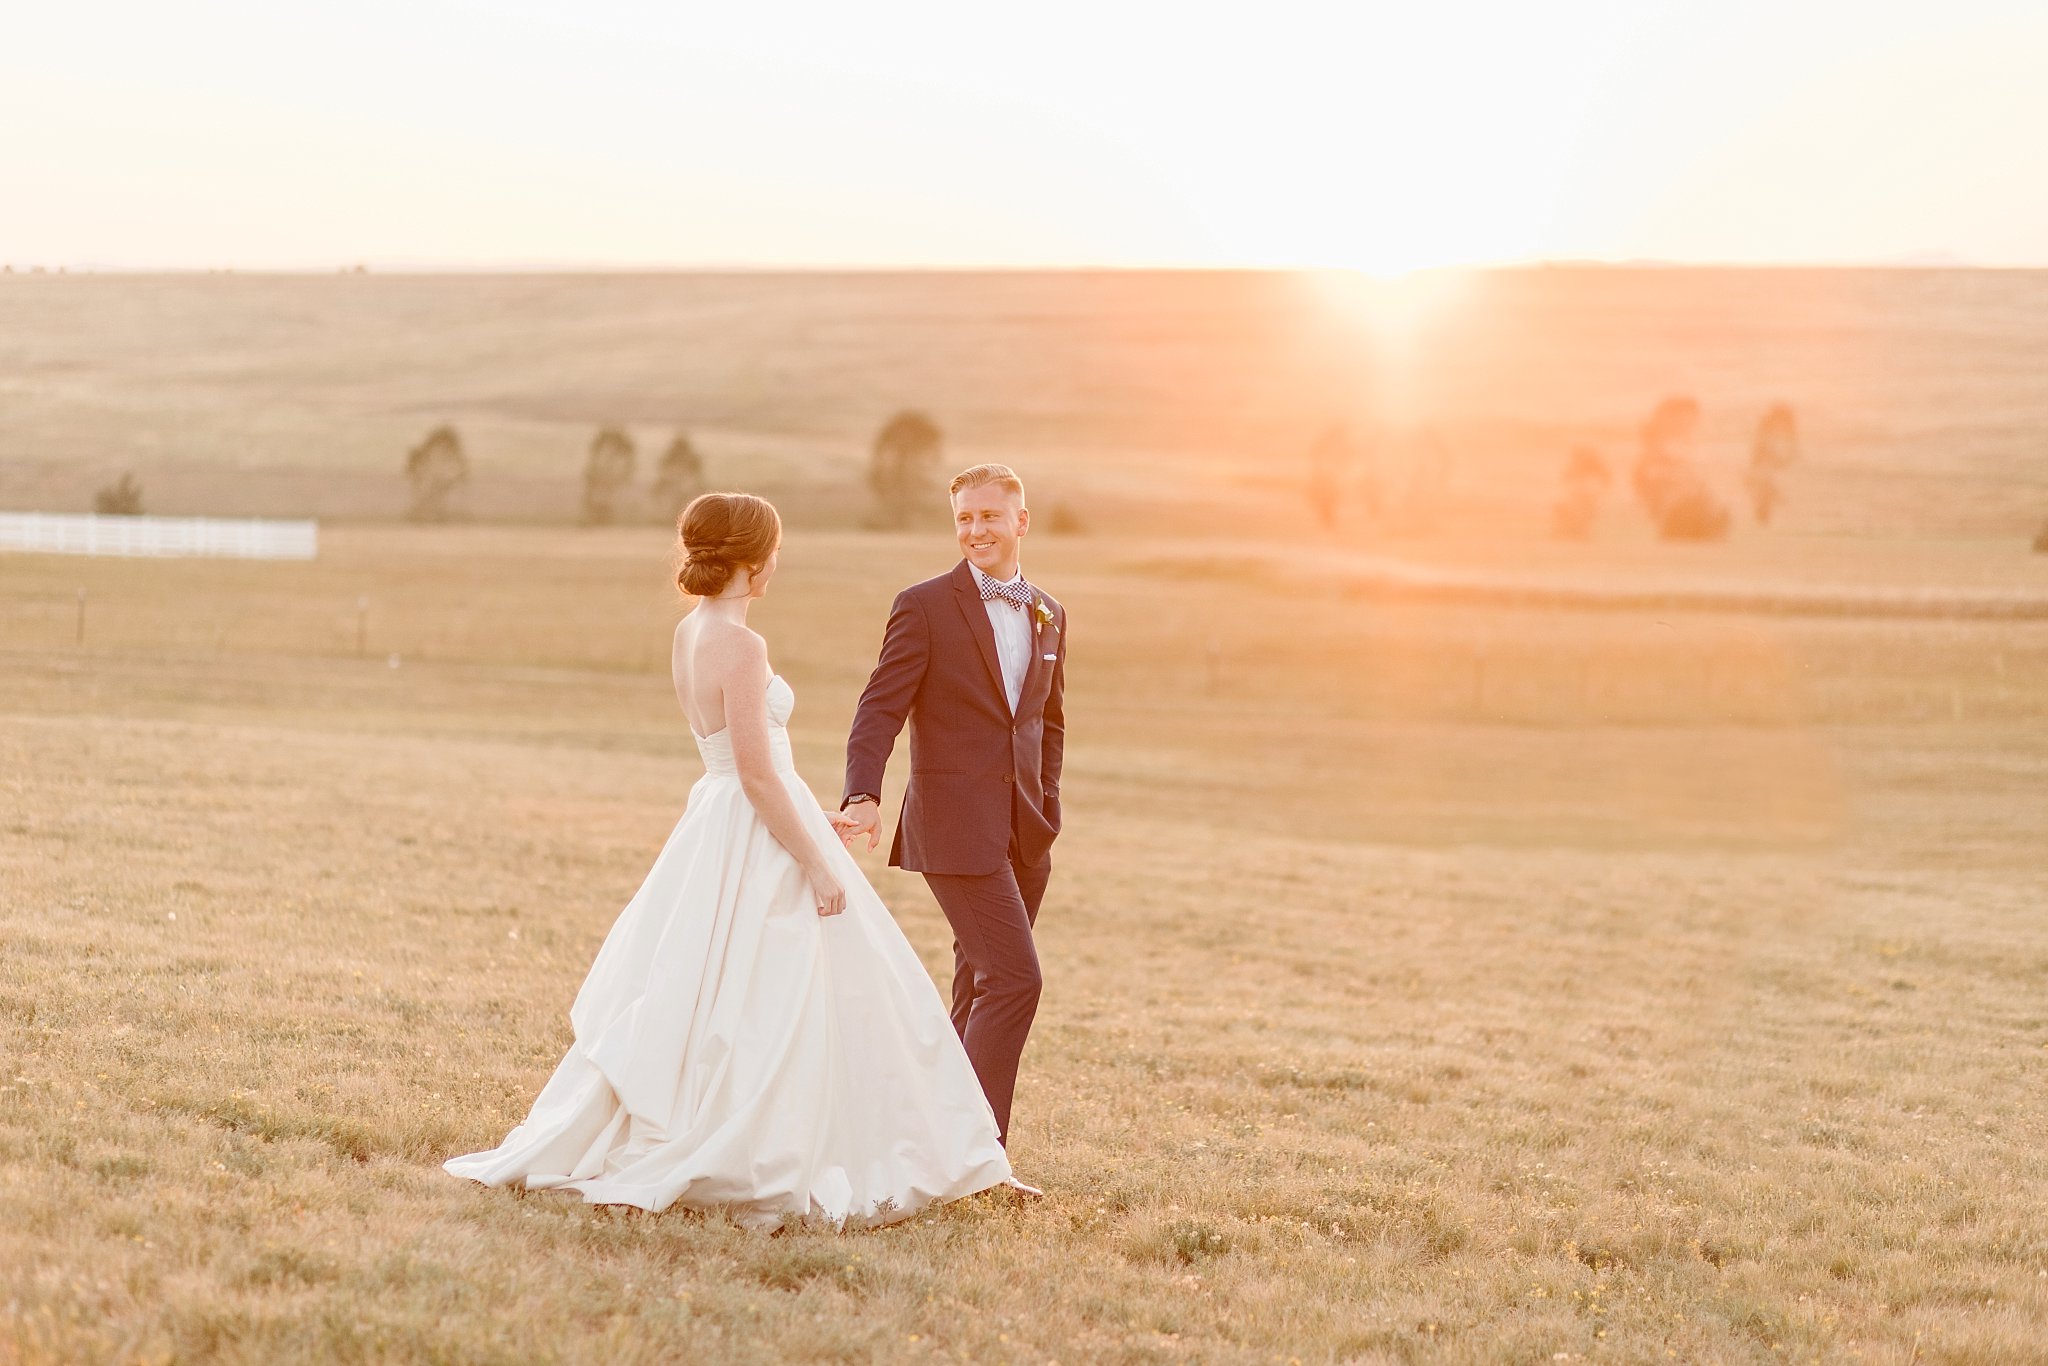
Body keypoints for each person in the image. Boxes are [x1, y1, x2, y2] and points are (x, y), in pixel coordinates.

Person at [444, 492, 1011, 1228]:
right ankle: (772, 1137)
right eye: (775, 547)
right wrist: (813, 859)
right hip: (751, 823)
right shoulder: (742, 646)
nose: (780, 560)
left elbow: (747, 766)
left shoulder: (693, 630)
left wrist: (816, 816)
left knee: (711, 985)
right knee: (779, 989)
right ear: (753, 556)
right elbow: (756, 772)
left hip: (721, 820)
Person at [839, 463, 1066, 1194]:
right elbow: (880, 706)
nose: (975, 531)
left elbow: (1047, 723)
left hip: (1024, 834)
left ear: (1020, 522)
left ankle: (931, 1146)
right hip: (953, 826)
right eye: (965, 518)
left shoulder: (1049, 613)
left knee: (976, 987)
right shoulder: (925, 606)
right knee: (1015, 980)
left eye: (990, 517)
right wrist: (864, 794)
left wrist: (1047, 810)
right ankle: (980, 1159)